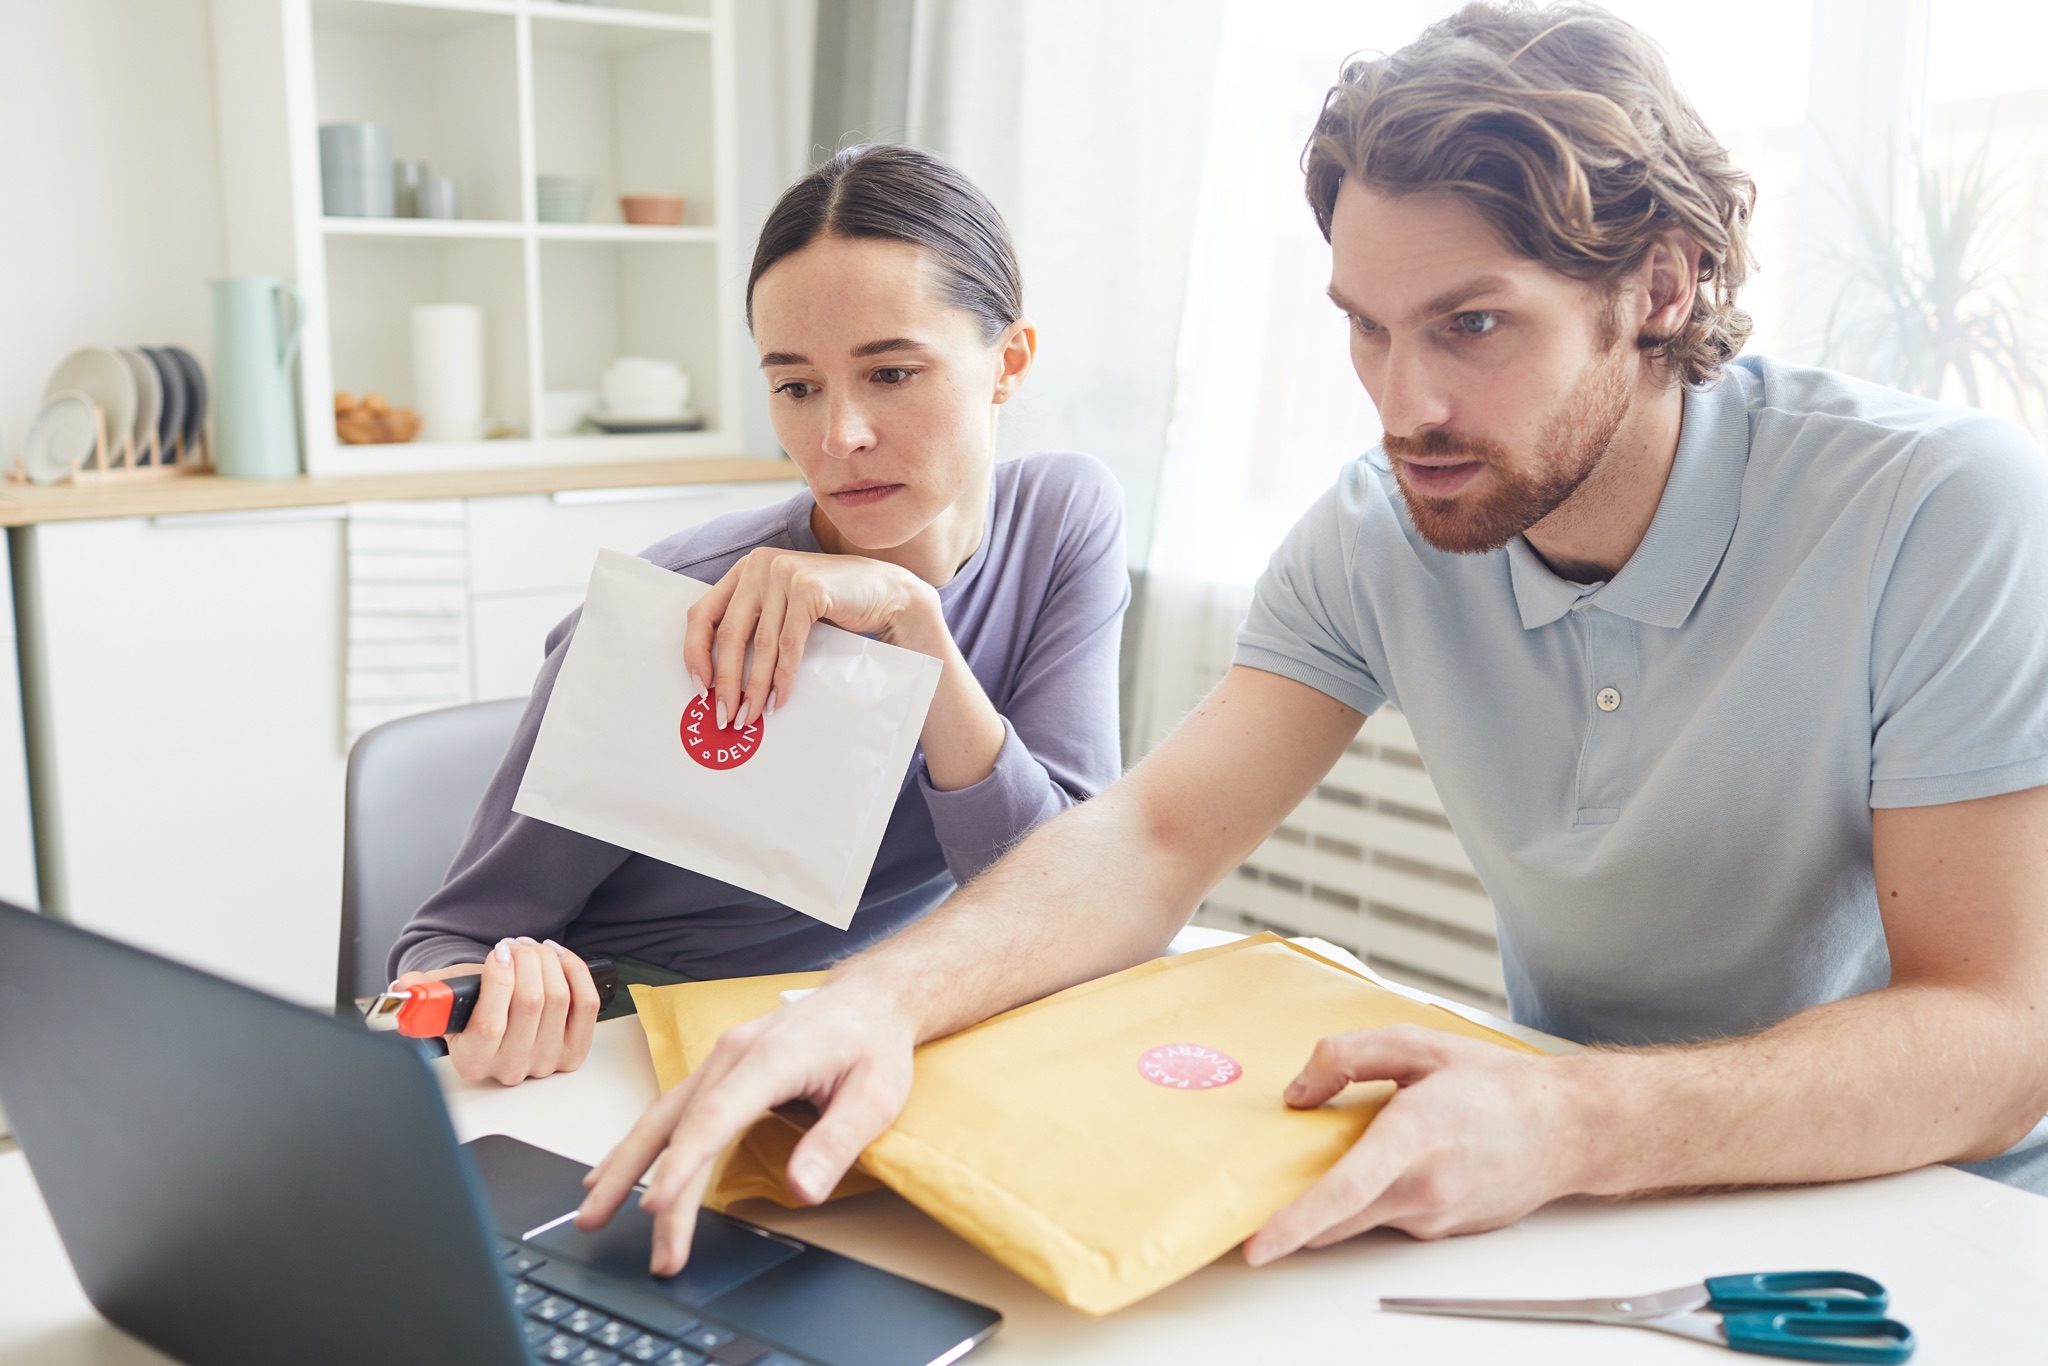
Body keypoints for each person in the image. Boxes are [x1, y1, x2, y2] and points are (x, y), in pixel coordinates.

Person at [578, 0, 2048, 1277]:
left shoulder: (1942, 509)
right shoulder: (1382, 524)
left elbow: (1995, 1033)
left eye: (1472, 325)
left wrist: (1575, 1116)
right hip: (1574, 1186)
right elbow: (1151, 836)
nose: (1401, 405)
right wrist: (871, 1004)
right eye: (1364, 326)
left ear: (1656, 288)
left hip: (1925, 1207)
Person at [385, 144, 1129, 1088]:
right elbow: (451, 940)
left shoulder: (1064, 519)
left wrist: (914, 624)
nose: (839, 437)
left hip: (899, 1025)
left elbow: (1068, 901)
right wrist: (498, 996)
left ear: (1008, 362)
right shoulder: (681, 607)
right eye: (796, 386)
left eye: (892, 374)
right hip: (653, 1052)